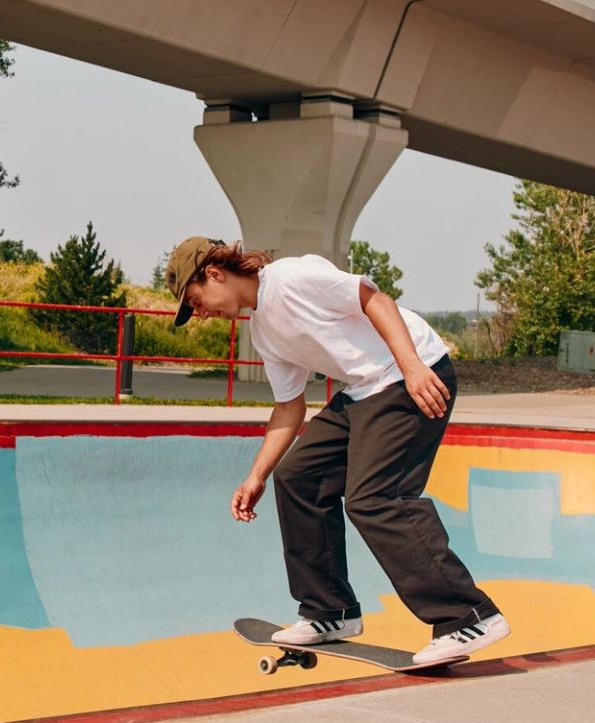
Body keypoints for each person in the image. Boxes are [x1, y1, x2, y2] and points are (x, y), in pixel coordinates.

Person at [165, 236, 509, 665]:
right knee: (298, 478)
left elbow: (374, 300)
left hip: (413, 374)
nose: (200, 314)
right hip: (366, 390)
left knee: (375, 499)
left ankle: (468, 615)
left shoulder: (292, 277)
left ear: (214, 274)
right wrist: (256, 476)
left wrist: (412, 368)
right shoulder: (265, 330)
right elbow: (289, 407)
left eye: (195, 301)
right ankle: (331, 610)